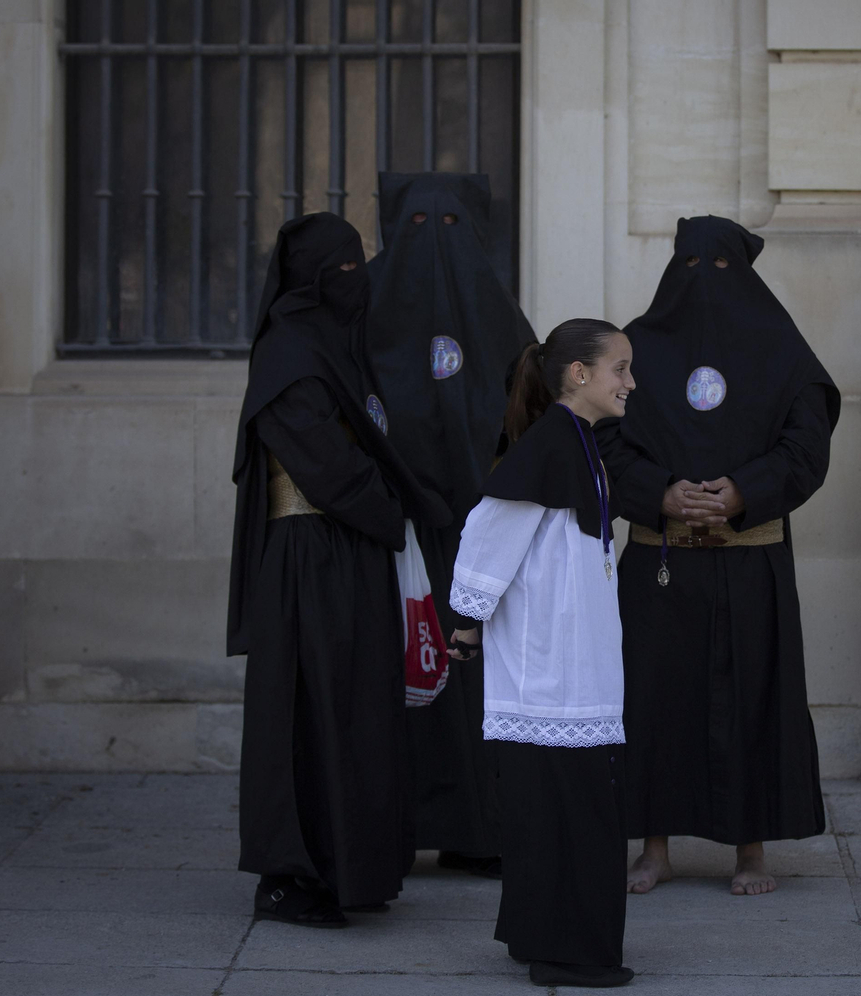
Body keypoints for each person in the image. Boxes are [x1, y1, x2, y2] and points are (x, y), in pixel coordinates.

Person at [596, 215, 839, 897]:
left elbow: (806, 445)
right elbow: (604, 438)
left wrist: (742, 491)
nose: (704, 280)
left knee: (751, 701)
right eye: (692, 265)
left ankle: (750, 850)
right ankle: (654, 848)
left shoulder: (782, 348)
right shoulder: (635, 349)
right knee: (653, 703)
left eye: (722, 267)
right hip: (661, 559)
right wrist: (660, 493)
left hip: (750, 559)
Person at [227, 212, 450, 927]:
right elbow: (325, 464)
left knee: (358, 712)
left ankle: (353, 869)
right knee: (309, 712)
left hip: (352, 552)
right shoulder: (289, 354)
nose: (361, 280)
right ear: (314, 279)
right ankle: (290, 879)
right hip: (309, 559)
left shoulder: (335, 345)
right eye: (346, 268)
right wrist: (396, 512)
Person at [449, 319, 637, 988]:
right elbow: (487, 531)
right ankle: (567, 953)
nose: (631, 383)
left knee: (557, 813)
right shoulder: (552, 443)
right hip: (549, 672)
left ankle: (539, 936)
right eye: (620, 369)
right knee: (569, 815)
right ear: (579, 374)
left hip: (575, 664)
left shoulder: (577, 440)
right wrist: (468, 623)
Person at [367, 172, 536, 876]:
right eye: (417, 226)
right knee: (400, 679)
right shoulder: (363, 308)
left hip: (479, 537)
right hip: (392, 534)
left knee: (476, 684)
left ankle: (479, 829)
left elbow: (531, 419)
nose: (434, 245)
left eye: (449, 227)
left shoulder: (500, 317)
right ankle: (389, 828)